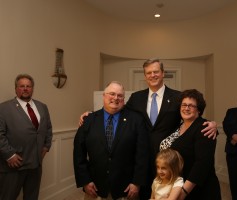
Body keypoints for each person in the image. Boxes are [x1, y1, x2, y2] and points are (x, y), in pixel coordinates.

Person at [79, 58, 218, 199]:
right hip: (143, 161)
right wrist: (91, 115)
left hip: (168, 163)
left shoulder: (177, 97)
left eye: (156, 71)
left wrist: (212, 125)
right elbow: (116, 109)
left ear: (163, 73)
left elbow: (192, 117)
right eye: (149, 72)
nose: (153, 75)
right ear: (145, 76)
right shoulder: (136, 98)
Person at [73, 81, 149, 200]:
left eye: (120, 95)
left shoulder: (136, 120)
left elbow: (142, 154)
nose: (115, 98)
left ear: (124, 99)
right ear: (104, 96)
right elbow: (78, 154)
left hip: (126, 188)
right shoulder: (88, 120)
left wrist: (137, 182)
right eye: (112, 94)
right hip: (94, 187)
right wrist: (85, 181)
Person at [160, 89, 221, 200]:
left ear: (199, 110)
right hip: (178, 184)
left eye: (191, 106)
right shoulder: (178, 126)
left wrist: (183, 191)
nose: (186, 108)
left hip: (197, 190)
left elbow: (202, 164)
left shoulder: (205, 127)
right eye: (184, 105)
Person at [0, 74, 53, 200]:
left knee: (32, 197)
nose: (25, 89)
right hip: (13, 166)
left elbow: (48, 129)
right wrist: (10, 155)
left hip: (35, 165)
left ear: (32, 89)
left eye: (28, 86)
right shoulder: (3, 108)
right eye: (21, 86)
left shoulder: (42, 107)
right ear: (16, 89)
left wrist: (46, 146)